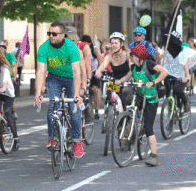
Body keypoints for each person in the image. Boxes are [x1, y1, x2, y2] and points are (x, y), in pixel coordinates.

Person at [34, 21, 85, 158]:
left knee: (73, 108)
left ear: (62, 35)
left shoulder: (71, 47)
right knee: (53, 106)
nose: (51, 36)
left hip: (70, 78)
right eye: (49, 33)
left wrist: (76, 95)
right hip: (54, 78)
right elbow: (40, 71)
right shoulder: (44, 48)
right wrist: (38, 93)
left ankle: (76, 141)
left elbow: (76, 72)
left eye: (54, 34)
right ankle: (53, 138)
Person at [117, 45, 169, 166]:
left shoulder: (149, 64)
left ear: (139, 57)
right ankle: (131, 126)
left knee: (148, 128)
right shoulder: (134, 67)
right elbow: (127, 77)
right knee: (126, 98)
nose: (131, 58)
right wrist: (119, 81)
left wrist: (153, 82)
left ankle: (154, 156)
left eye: (132, 56)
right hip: (139, 96)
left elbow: (165, 72)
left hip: (151, 100)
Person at [95, 32, 132, 107]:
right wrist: (98, 71)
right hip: (115, 82)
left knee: (125, 97)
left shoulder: (127, 55)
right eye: (112, 43)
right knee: (110, 98)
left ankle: (127, 116)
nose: (114, 45)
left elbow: (131, 70)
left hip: (127, 82)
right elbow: (103, 65)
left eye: (116, 43)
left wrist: (122, 80)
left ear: (121, 44)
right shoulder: (109, 57)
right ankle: (111, 115)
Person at [81, 34, 103, 119]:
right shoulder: (80, 50)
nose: (86, 45)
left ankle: (96, 111)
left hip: (94, 72)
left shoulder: (94, 50)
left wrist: (99, 71)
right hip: (84, 73)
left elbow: (100, 59)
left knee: (96, 90)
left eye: (87, 43)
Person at [0, 40, 18, 119]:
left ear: (5, 49)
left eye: (2, 48)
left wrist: (14, 76)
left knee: (10, 94)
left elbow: (14, 65)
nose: (1, 49)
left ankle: (13, 110)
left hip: (9, 78)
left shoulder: (9, 56)